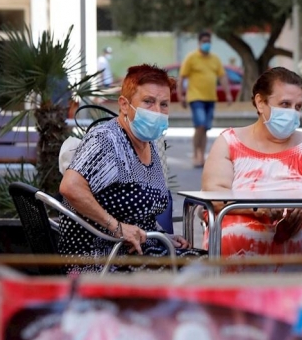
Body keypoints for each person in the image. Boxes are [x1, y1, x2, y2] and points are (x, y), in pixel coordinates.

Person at [59, 64, 204, 270]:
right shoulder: (107, 139)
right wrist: (117, 228)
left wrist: (163, 236)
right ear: (124, 105)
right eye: (148, 102)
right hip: (101, 258)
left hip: (136, 251)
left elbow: (136, 214)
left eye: (164, 104)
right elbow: (70, 186)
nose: (157, 112)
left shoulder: (148, 145)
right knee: (203, 271)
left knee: (212, 265)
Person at [201, 67, 302, 264]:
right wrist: (258, 209)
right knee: (234, 236)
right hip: (241, 224)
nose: (292, 113)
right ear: (261, 102)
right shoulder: (229, 142)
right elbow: (214, 195)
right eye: (285, 104)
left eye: (297, 107)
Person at [177, 32, 233, 168]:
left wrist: (228, 93)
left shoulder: (215, 59)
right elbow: (182, 77)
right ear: (199, 42)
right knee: (200, 125)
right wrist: (180, 95)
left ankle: (202, 154)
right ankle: (196, 154)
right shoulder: (191, 58)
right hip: (195, 97)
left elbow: (222, 77)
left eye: (209, 41)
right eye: (204, 41)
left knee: (205, 128)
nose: (207, 44)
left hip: (210, 98)